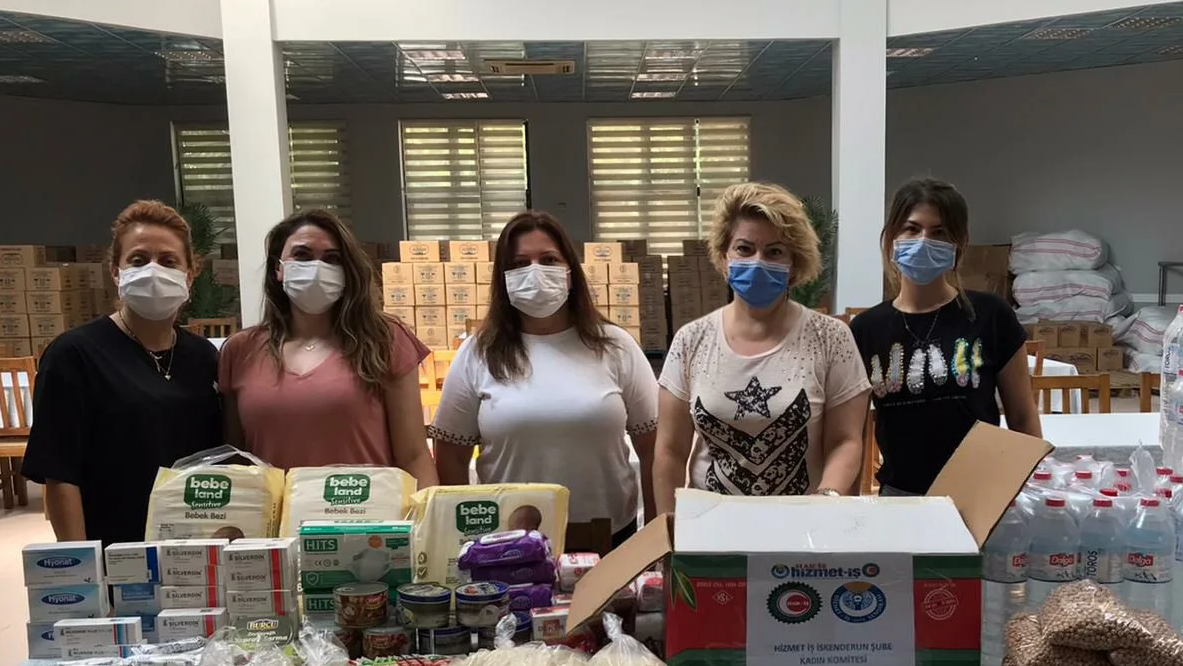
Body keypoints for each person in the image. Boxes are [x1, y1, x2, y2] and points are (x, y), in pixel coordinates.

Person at [432, 210, 658, 543]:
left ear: (570, 272)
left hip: (608, 538)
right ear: (503, 278)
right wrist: (462, 538)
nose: (535, 271)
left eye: (549, 259)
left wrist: (654, 534)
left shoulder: (616, 346)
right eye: (519, 264)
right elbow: (450, 453)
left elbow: (654, 447)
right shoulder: (478, 352)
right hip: (506, 541)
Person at [654, 182, 869, 512]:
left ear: (794, 264)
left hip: (802, 526)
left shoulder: (831, 339)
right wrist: (670, 528)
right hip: (711, 528)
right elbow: (670, 451)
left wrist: (826, 502)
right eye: (744, 249)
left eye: (774, 252)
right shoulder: (691, 340)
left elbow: (846, 441)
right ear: (724, 257)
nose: (758, 261)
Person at [24, 200, 222, 547]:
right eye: (138, 260)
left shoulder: (203, 356)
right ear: (116, 272)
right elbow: (59, 474)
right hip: (115, 550)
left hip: (192, 550)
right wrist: (81, 564)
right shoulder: (74, 354)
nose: (153, 271)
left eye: (168, 261)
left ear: (190, 275)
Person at [849, 177, 1041, 495]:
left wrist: (1024, 492)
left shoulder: (991, 315)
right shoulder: (866, 329)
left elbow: (1022, 418)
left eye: (939, 232)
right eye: (912, 229)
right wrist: (850, 512)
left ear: (958, 243)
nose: (924, 241)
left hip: (979, 495)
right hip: (901, 496)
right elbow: (853, 435)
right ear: (891, 238)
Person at [220, 209, 435, 486]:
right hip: (274, 513)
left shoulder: (384, 340)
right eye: (302, 255)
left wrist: (426, 509)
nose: (317, 268)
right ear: (278, 269)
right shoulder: (241, 350)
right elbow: (236, 460)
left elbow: (414, 455)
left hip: (368, 512)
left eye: (332, 259)